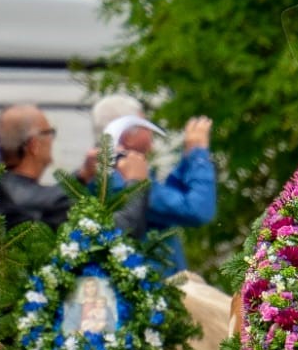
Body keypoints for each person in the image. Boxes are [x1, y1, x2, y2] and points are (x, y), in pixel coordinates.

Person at [82, 110, 216, 276]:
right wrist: (198, 154)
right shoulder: (119, 179)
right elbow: (197, 209)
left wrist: (188, 158)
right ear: (127, 135)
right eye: (145, 125)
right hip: (147, 285)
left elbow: (170, 197)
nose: (151, 132)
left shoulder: (110, 172)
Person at [0, 103, 149, 234]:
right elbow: (116, 233)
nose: (52, 139)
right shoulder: (29, 204)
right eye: (49, 132)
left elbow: (44, 198)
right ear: (34, 145)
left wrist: (83, 175)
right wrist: (136, 182)